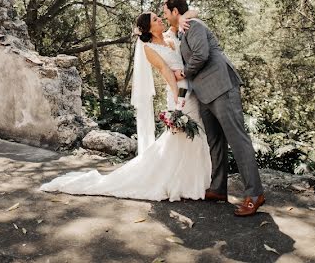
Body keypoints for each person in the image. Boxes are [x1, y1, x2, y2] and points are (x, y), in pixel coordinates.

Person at [39, 12, 212, 201]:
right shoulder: (149, 48)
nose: (159, 20)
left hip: (193, 91)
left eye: (158, 17)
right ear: (147, 29)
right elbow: (165, 70)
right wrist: (178, 99)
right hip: (179, 94)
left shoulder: (171, 37)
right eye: (155, 19)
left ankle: (195, 180)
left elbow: (191, 14)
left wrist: (181, 19)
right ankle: (181, 182)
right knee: (183, 136)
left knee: (196, 133)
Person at [162, 0, 266, 216]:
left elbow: (201, 55)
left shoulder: (194, 25)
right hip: (203, 94)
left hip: (221, 87)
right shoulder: (181, 30)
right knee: (215, 142)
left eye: (165, 12)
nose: (164, 16)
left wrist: (183, 73)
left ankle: (255, 195)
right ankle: (218, 188)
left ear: (175, 11)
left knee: (237, 140)